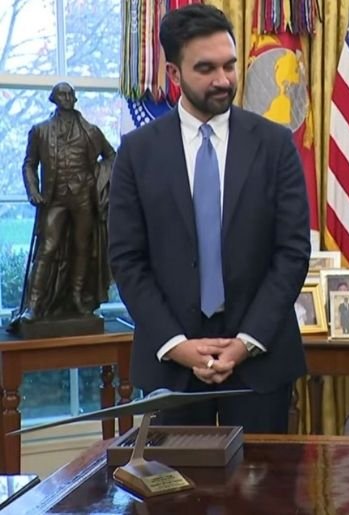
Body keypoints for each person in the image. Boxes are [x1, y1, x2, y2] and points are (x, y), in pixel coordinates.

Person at [108, 4, 310, 432]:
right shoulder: (137, 153)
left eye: (229, 66)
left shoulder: (275, 145)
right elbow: (127, 261)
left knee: (261, 479)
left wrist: (245, 343)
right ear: (173, 73)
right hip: (172, 369)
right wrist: (177, 345)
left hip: (260, 362)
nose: (223, 80)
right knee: (175, 479)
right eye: (206, 68)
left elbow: (292, 253)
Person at [14, 82, 115, 323]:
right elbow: (29, 164)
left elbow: (111, 156)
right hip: (54, 199)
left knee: (82, 247)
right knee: (47, 248)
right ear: (54, 98)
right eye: (63, 94)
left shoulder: (91, 131)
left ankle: (78, 299)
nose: (68, 98)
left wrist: (98, 178)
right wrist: (33, 190)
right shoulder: (40, 131)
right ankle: (34, 306)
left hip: (83, 198)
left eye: (70, 94)